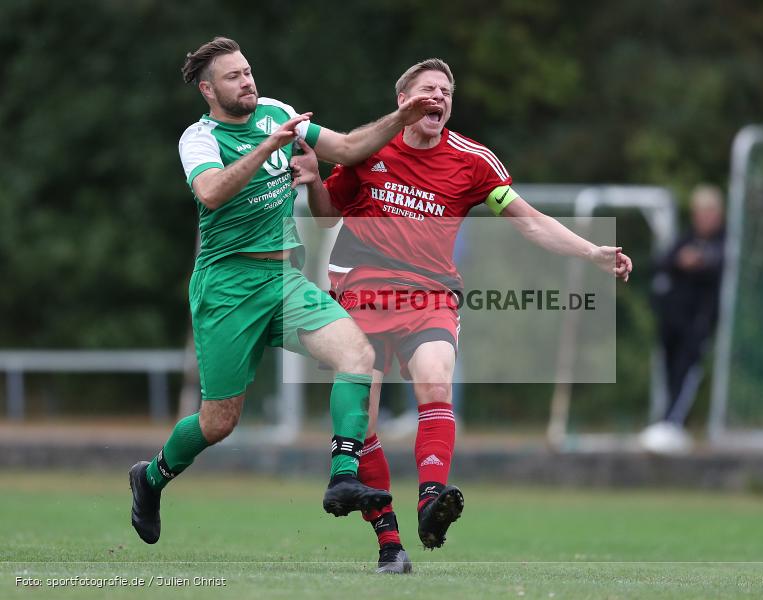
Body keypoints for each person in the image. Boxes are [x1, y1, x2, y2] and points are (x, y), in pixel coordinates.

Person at [290, 58, 632, 574]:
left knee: (435, 379)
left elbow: (530, 222)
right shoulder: (368, 150)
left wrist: (592, 253)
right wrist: (315, 180)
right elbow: (326, 216)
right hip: (361, 292)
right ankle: (390, 544)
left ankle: (432, 500)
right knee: (364, 422)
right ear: (403, 100)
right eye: (428, 88)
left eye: (446, 91)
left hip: (430, 295)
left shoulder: (473, 161)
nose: (439, 97)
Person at [128, 37, 441, 545]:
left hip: (283, 280)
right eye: (234, 77)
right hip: (226, 287)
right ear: (208, 90)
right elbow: (209, 192)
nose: (248, 81)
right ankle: (151, 477)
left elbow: (345, 148)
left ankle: (343, 475)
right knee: (219, 422)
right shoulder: (199, 138)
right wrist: (268, 148)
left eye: (248, 71)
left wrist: (400, 116)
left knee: (359, 355)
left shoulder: (277, 111)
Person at [641, 184, 725, 454]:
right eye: (699, 212)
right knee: (668, 372)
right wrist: (681, 260)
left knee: (686, 373)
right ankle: (667, 423)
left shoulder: (724, 241)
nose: (703, 218)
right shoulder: (685, 238)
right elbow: (662, 261)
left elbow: (719, 263)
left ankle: (671, 424)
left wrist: (700, 262)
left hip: (698, 323)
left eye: (708, 212)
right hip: (672, 321)